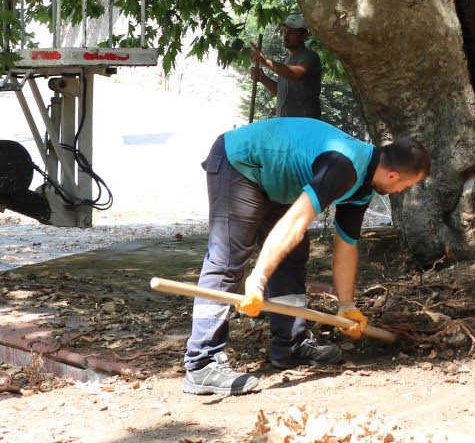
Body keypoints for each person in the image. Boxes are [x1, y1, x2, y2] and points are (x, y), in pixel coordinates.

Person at [181, 117, 430, 396]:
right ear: (393, 176)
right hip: (240, 162)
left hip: (274, 179)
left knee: (293, 253)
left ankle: (289, 343)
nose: (402, 192)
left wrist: (346, 305)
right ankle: (202, 363)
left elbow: (346, 246)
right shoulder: (344, 165)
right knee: (227, 259)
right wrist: (258, 278)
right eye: (406, 186)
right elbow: (295, 223)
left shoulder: (361, 187)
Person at [251, 12, 323, 121]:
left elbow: (295, 74)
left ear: (304, 36)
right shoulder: (288, 60)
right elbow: (280, 92)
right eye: (285, 31)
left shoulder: (310, 56)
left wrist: (265, 61)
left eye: (291, 32)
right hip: (285, 125)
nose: (286, 36)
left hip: (304, 125)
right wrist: (263, 78)